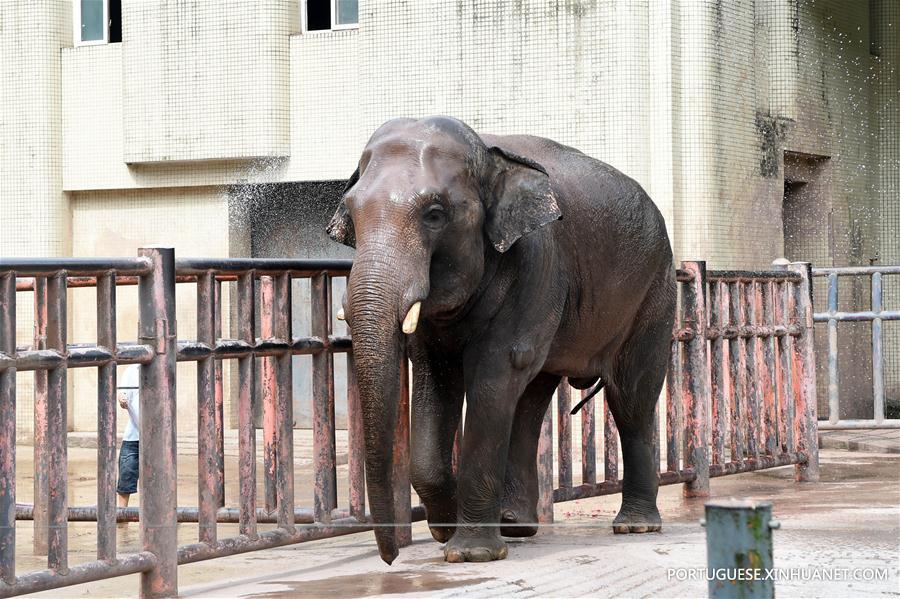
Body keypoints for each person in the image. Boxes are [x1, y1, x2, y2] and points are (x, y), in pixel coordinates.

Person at [116, 364, 140, 508]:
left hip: (158, 437)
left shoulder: (163, 368)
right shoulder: (132, 371)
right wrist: (122, 399)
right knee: (126, 475)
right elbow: (122, 393)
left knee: (160, 478)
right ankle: (122, 514)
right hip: (134, 435)